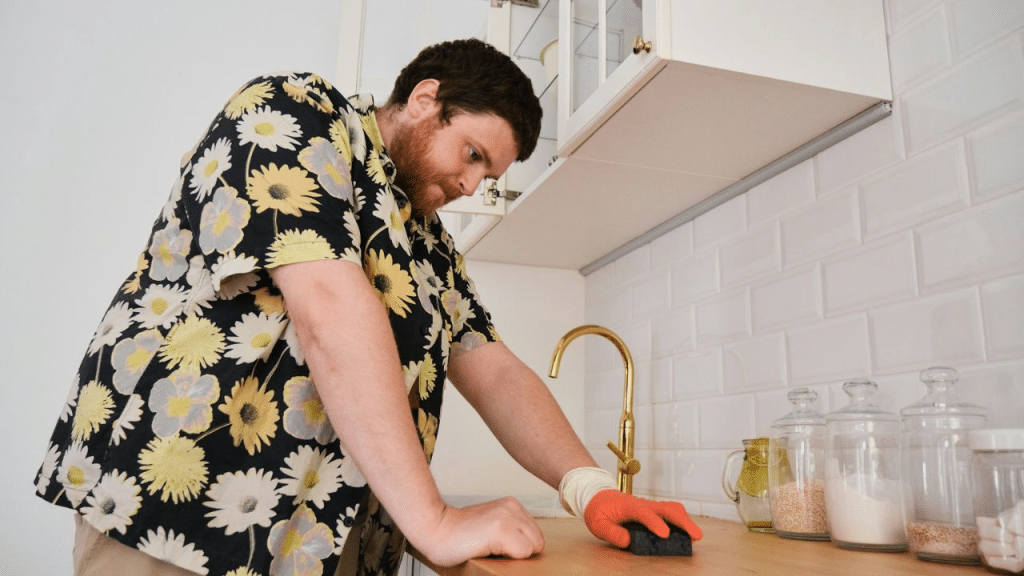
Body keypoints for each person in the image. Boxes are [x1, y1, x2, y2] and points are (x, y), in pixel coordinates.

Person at [34, 38, 702, 576]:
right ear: (425, 99)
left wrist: (589, 488)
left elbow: (491, 366)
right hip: (181, 515)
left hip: (316, 538)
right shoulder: (295, 110)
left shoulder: (425, 240)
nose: (470, 185)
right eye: (472, 154)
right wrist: (435, 520)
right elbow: (326, 303)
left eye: (488, 176)